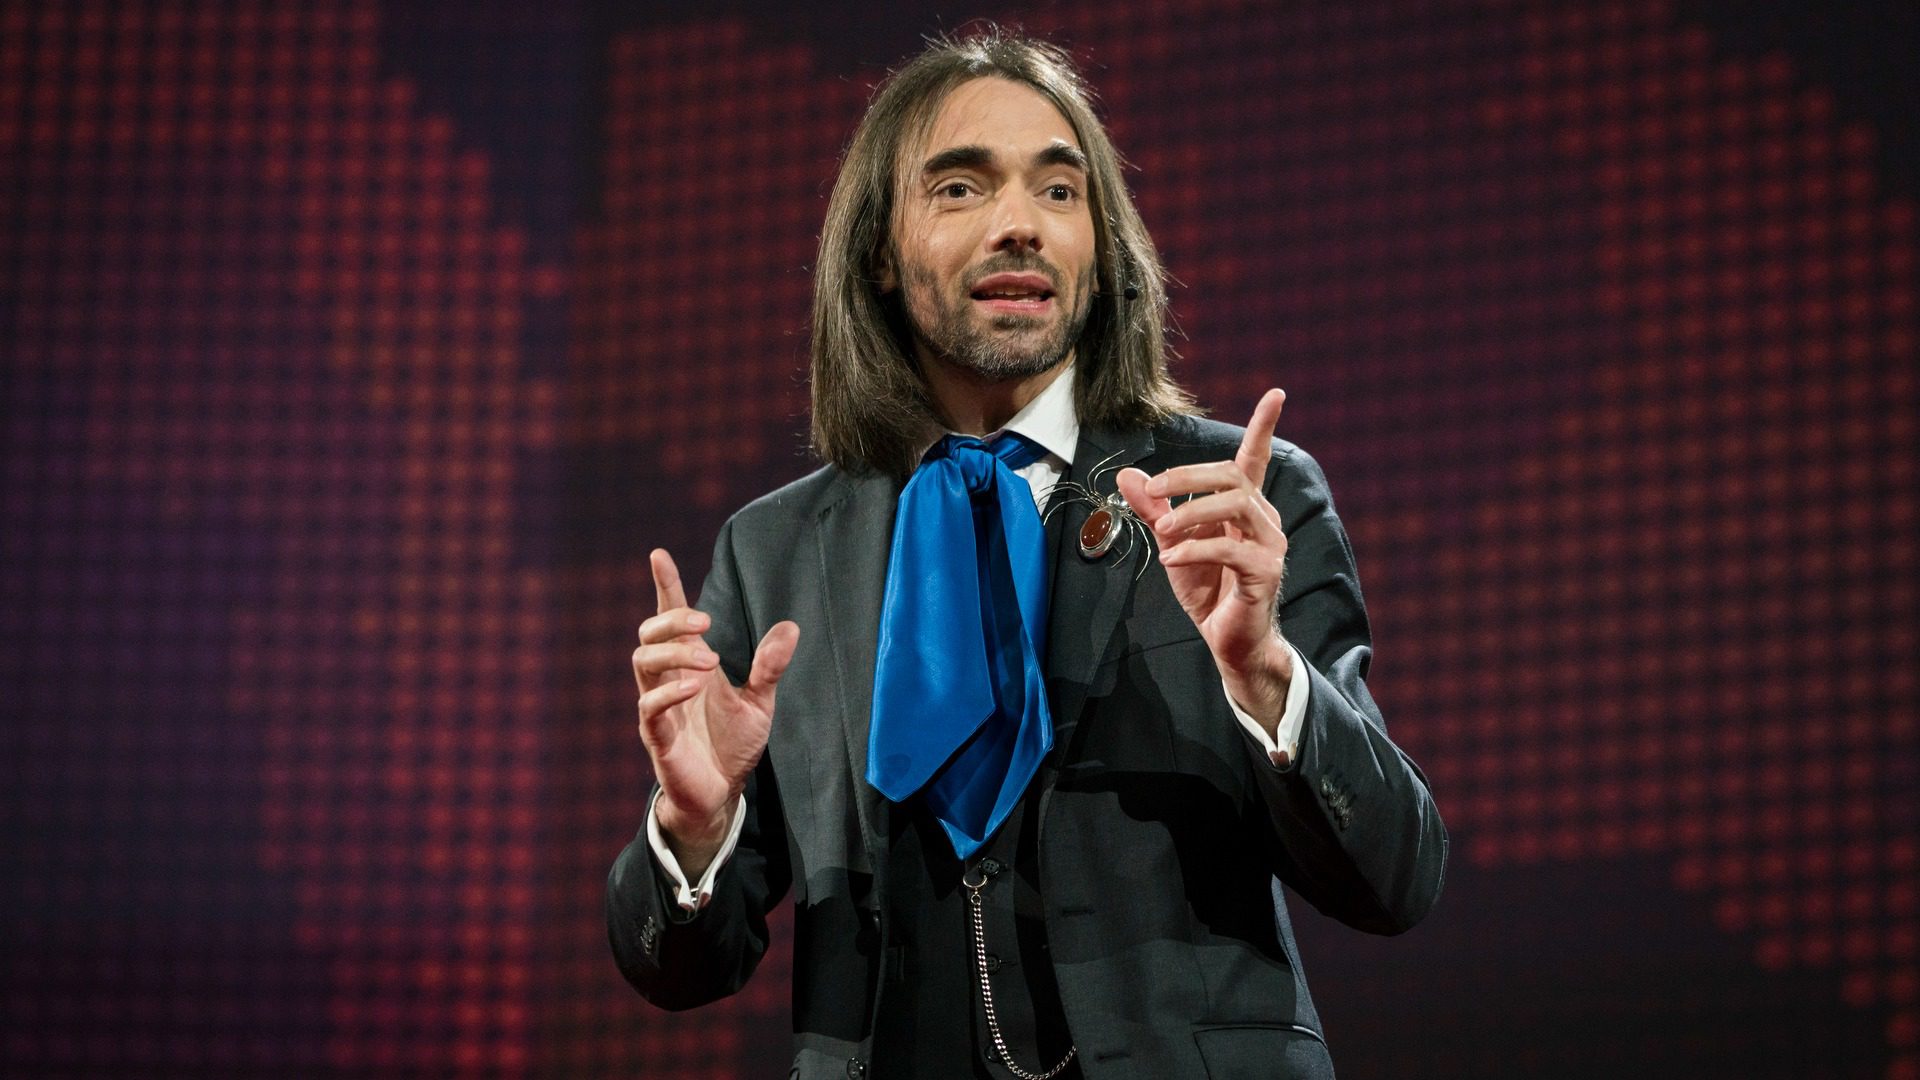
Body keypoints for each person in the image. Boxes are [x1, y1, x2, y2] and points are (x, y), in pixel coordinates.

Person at [608, 29, 1446, 1080]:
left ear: (1100, 246)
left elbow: (1396, 879)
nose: (1018, 225)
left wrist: (1268, 677)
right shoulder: (774, 549)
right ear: (878, 250)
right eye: (960, 189)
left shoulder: (1241, 499)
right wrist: (694, 827)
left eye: (1059, 191)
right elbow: (682, 967)